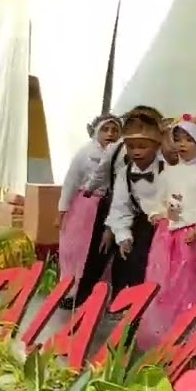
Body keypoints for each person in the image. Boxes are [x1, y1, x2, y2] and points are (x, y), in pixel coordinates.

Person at [136, 115, 196, 350]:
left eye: (189, 140)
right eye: (178, 140)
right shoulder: (169, 173)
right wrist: (158, 213)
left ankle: (190, 335)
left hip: (194, 239)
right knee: (165, 284)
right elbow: (161, 200)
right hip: (168, 237)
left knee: (191, 286)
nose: (182, 145)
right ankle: (162, 333)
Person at [57, 113, 122, 308]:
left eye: (115, 130)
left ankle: (97, 293)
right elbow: (71, 183)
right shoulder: (84, 154)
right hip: (84, 205)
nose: (110, 134)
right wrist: (62, 210)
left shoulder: (120, 155)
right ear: (96, 131)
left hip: (108, 205)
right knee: (77, 249)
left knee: (101, 251)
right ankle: (70, 291)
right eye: (105, 129)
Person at [104, 113, 166, 293]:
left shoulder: (168, 170)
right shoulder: (125, 172)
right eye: (131, 147)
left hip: (164, 225)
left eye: (142, 147)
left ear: (156, 146)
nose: (136, 152)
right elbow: (120, 206)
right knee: (126, 262)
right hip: (139, 223)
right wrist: (123, 235)